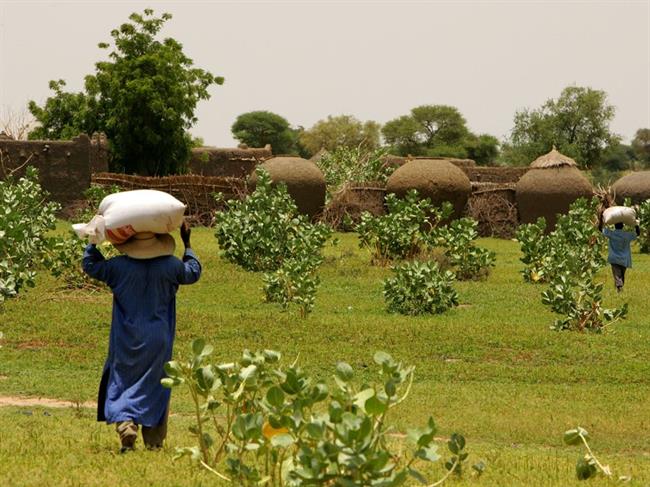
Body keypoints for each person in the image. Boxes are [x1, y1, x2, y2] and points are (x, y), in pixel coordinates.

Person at [82, 221, 201, 452]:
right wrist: (187, 243)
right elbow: (193, 272)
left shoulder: (118, 267)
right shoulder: (171, 266)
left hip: (126, 335)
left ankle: (126, 425)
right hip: (159, 337)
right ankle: (154, 442)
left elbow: (90, 265)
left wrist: (93, 241)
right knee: (157, 385)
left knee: (123, 379)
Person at [598, 216, 640, 293]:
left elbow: (601, 230)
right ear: (623, 226)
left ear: (614, 226)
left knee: (617, 274)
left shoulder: (611, 233)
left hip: (614, 258)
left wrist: (601, 220)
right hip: (624, 259)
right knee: (622, 275)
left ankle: (619, 287)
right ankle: (619, 287)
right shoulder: (627, 235)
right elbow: (637, 234)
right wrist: (636, 225)